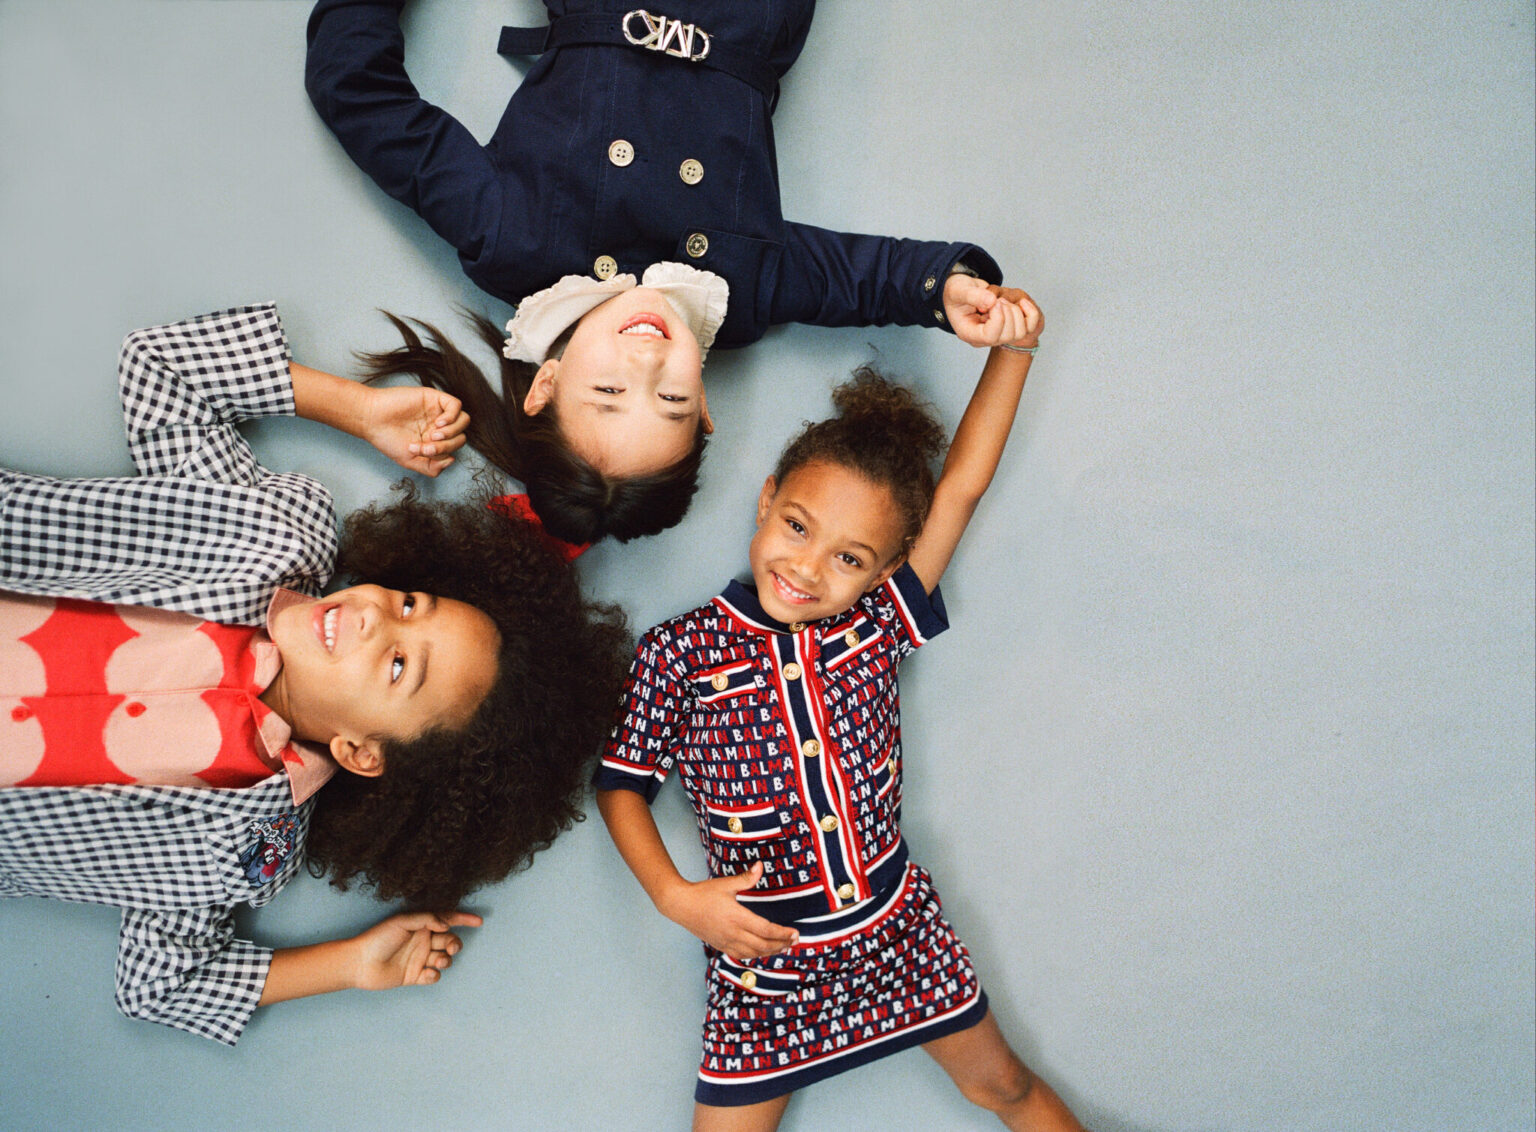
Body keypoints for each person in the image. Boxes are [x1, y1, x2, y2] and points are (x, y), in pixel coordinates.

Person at [0, 303, 629, 1045]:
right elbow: (159, 369)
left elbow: (158, 983)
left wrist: (350, 965)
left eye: (398, 665)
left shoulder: (241, 845)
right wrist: (356, 409)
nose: (372, 616)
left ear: (364, 752)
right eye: (409, 602)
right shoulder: (268, 532)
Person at [594, 288, 1084, 1129]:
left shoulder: (874, 626)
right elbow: (620, 784)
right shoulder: (678, 650)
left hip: (898, 937)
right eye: (796, 526)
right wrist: (678, 898)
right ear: (768, 495)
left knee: (1002, 1086)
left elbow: (960, 485)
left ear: (887, 567)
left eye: (850, 557)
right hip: (766, 968)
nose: (810, 569)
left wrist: (1016, 350)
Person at [305, 0, 1030, 543]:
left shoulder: (515, 243)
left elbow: (359, 95)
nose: (649, 356)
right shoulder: (735, 296)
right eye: (673, 398)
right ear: (707, 406)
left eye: (612, 388)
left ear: (547, 385)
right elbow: (855, 279)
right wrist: (945, 288)